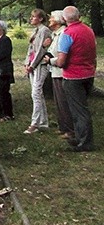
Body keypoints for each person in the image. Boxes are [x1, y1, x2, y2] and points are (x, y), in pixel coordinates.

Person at [55, 6, 97, 152]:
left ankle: (85, 143)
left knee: (79, 111)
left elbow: (61, 61)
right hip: (88, 74)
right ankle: (79, 138)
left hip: (73, 76)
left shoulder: (67, 33)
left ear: (65, 19)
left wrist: (51, 61)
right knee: (79, 109)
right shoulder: (88, 30)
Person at [43, 11, 74, 140]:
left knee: (64, 101)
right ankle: (63, 127)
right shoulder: (55, 34)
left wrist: (49, 59)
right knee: (59, 101)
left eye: (52, 18)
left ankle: (70, 130)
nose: (50, 20)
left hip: (61, 72)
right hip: (55, 71)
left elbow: (62, 54)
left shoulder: (63, 34)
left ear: (58, 20)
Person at [23, 8, 52, 134]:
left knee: (36, 92)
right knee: (37, 93)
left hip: (40, 65)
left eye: (34, 17)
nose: (31, 19)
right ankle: (43, 123)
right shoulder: (35, 31)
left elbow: (41, 49)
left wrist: (33, 65)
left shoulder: (44, 30)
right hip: (32, 64)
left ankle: (35, 123)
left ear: (40, 18)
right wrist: (26, 63)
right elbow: (31, 48)